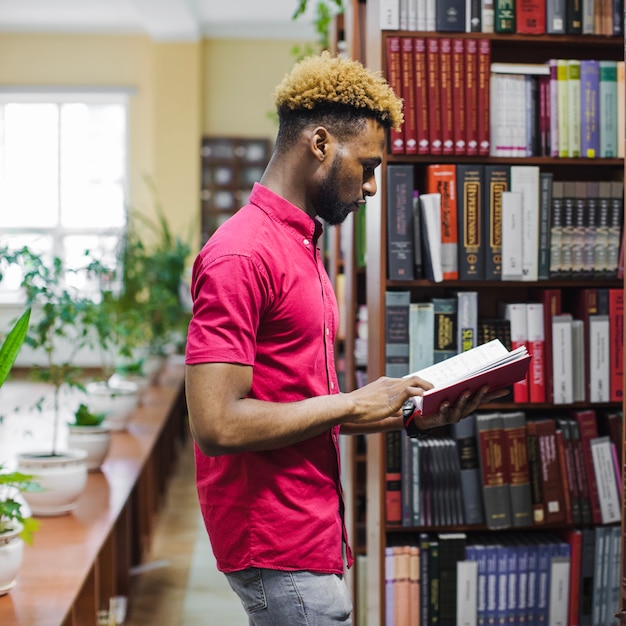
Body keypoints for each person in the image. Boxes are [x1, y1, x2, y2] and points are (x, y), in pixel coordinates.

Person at [185, 51, 506, 626]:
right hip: (275, 540)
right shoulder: (241, 253)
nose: (374, 186)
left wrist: (404, 411)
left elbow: (297, 403)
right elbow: (217, 424)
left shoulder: (301, 245)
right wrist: (355, 401)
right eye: (368, 165)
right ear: (321, 143)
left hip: (310, 528)